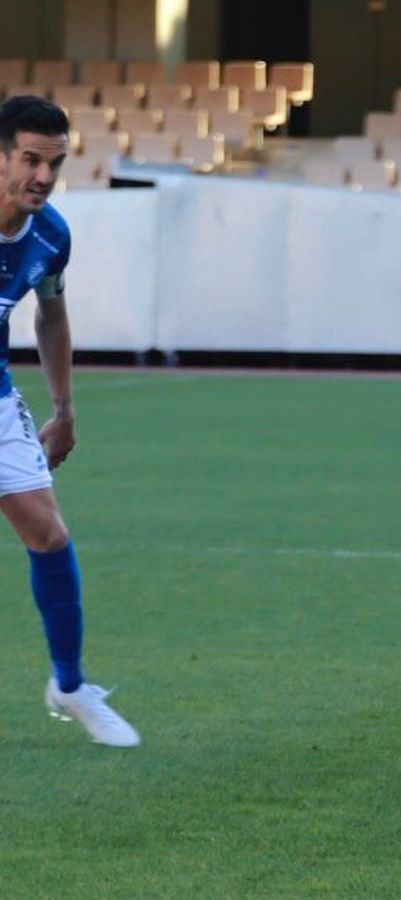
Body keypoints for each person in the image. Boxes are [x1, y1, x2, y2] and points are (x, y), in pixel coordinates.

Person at [0, 96, 138, 747]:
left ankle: (71, 686)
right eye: (30, 160)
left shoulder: (51, 234)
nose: (44, 176)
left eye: (54, 163)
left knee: (49, 536)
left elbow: (50, 314)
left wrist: (64, 408)